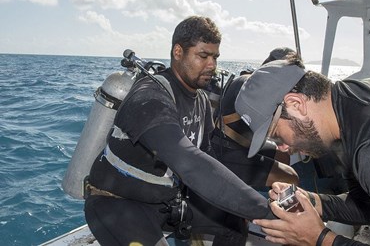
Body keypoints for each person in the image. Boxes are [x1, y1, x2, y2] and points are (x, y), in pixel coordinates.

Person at [84, 16, 272, 246]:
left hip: (167, 203)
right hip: (117, 204)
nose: (212, 65)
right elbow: (189, 162)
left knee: (234, 224)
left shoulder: (201, 100)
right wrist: (265, 210)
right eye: (203, 56)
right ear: (178, 52)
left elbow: (208, 157)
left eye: (215, 57)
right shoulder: (150, 97)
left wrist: (263, 185)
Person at [234, 58, 370, 245]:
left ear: (296, 104)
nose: (282, 148)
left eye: (277, 136)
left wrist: (318, 238)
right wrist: (310, 200)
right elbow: (369, 206)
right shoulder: (349, 108)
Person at [211, 47, 299, 190]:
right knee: (291, 177)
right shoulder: (251, 86)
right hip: (225, 151)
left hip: (242, 144)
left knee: (282, 155)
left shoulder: (252, 81)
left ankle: (268, 193)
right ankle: (271, 210)